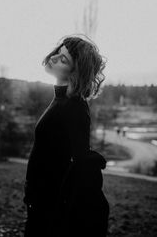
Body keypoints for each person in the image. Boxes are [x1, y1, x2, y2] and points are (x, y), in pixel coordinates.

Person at [23, 34, 109, 237]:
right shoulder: (62, 99)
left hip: (51, 214)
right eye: (57, 52)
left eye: (63, 59)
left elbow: (80, 163)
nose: (53, 58)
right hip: (41, 204)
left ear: (75, 72)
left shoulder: (74, 107)